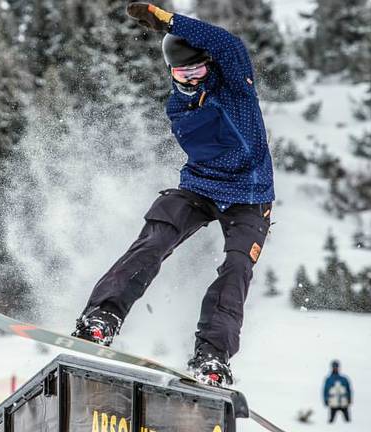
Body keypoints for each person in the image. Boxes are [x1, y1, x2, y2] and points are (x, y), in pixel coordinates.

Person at [71, 3, 274, 386]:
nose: (194, 79)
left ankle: (212, 356)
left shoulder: (235, 87)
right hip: (200, 186)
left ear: (209, 67)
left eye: (199, 69)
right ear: (172, 73)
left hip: (251, 196)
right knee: (156, 237)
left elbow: (227, 44)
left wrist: (169, 21)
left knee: (236, 269)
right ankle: (102, 316)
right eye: (185, 72)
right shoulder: (177, 106)